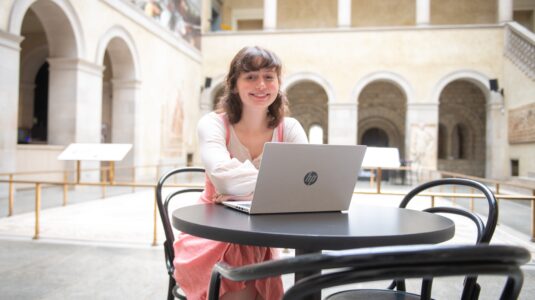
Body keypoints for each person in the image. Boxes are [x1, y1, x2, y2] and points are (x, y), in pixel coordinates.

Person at [173, 46, 308, 300]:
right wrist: (278, 183)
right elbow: (224, 180)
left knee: (251, 259)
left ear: (279, 84)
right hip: (210, 235)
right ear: (234, 84)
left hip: (260, 237)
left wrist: (241, 190)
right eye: (251, 77)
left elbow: (306, 184)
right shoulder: (214, 124)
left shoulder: (288, 128)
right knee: (240, 268)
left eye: (269, 77)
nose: (261, 84)